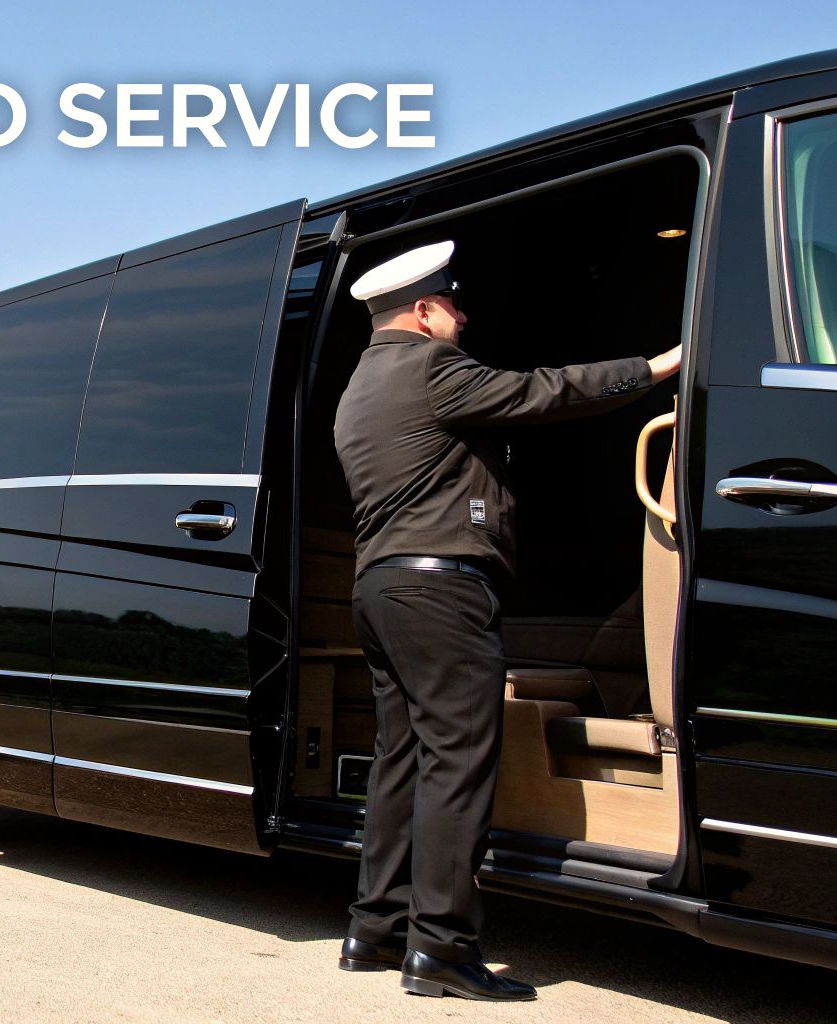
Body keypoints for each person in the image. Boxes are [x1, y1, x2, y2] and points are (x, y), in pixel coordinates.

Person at [330, 240, 682, 1001]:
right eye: (454, 306)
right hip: (440, 592)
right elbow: (543, 392)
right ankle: (441, 947)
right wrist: (655, 369)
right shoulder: (432, 367)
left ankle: (375, 927)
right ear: (424, 311)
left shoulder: (361, 384)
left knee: (400, 759)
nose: (464, 318)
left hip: (381, 590)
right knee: (457, 763)